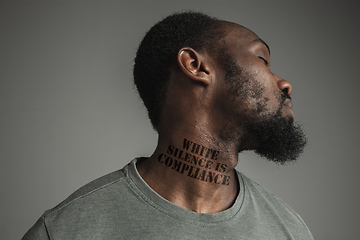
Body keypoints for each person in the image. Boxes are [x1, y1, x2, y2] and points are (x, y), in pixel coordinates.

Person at [22, 11, 313, 239]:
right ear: (196, 66)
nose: (285, 83)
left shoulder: (290, 230)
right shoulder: (65, 231)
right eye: (262, 58)